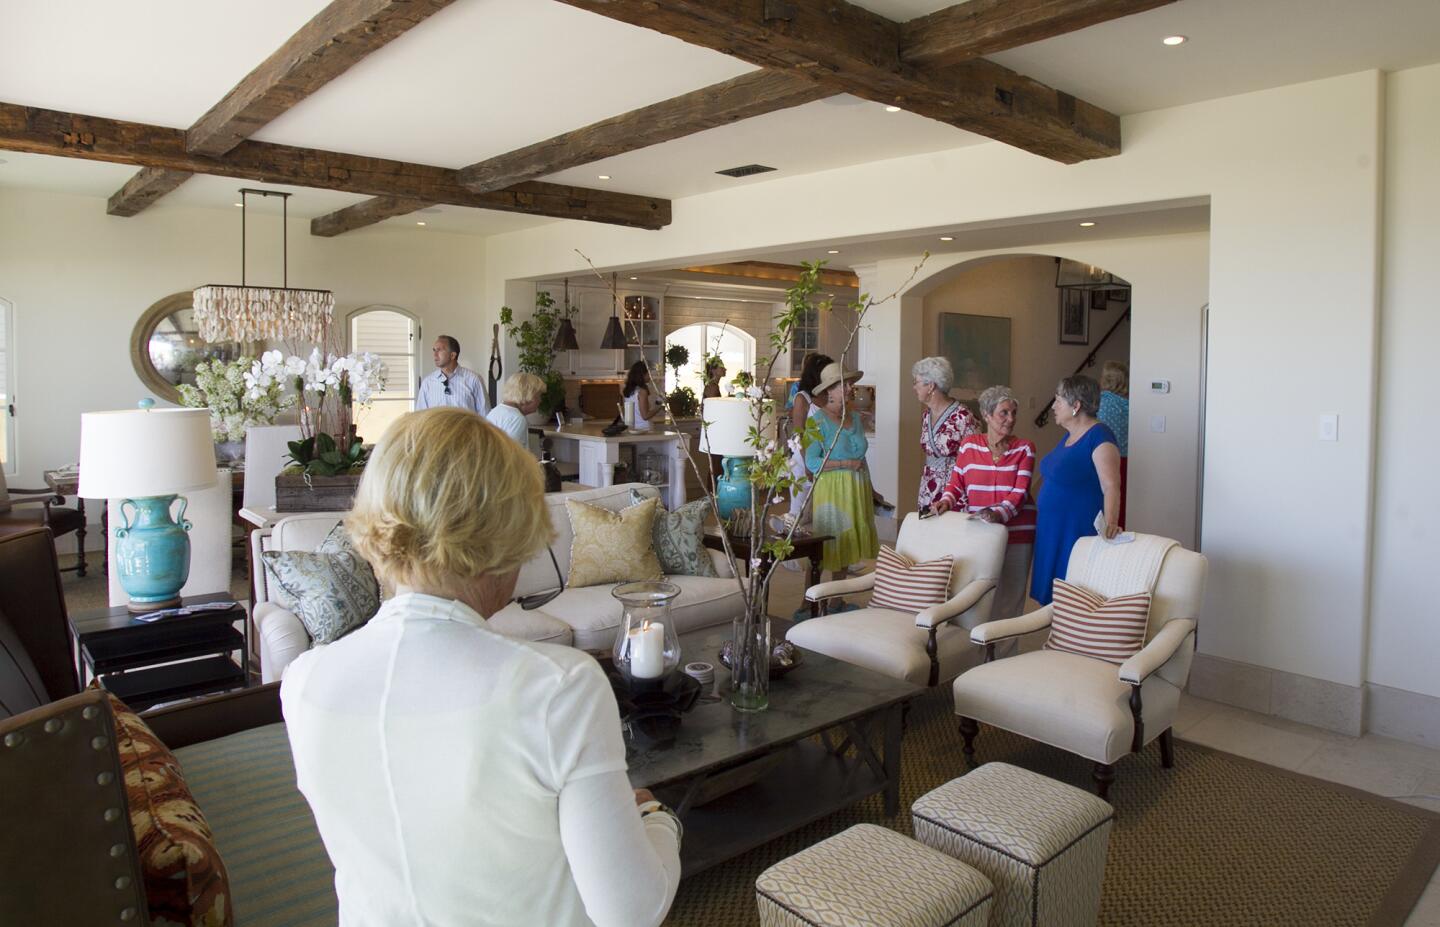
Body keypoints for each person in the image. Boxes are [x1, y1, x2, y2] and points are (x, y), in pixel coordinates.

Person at [281, 408, 681, 927]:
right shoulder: (560, 686)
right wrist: (656, 819)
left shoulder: (304, 681)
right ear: (505, 535)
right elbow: (631, 912)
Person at [933, 385, 1036, 621]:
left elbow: (1019, 494)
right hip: (982, 530)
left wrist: (997, 514)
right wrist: (946, 501)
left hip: (1017, 533)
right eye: (1004, 413)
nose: (1011, 419)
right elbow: (956, 482)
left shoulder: (1024, 448)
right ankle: (978, 649)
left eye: (1013, 413)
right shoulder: (970, 445)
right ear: (987, 415)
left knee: (1010, 598)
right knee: (978, 594)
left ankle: (1004, 655)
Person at [1029, 375, 1122, 605]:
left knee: (1071, 599)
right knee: (1051, 600)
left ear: (1076, 405)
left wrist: (1110, 524)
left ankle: (1068, 639)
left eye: (1058, 400)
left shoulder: (1100, 436)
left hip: (1075, 531)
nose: (1053, 406)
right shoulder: (1069, 436)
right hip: (1053, 529)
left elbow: (1111, 486)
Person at [805, 362, 878, 579]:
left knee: (846, 545)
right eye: (844, 384)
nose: (850, 388)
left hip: (857, 488)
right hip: (832, 492)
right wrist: (845, 464)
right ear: (830, 390)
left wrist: (873, 492)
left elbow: (861, 458)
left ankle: (837, 599)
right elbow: (812, 462)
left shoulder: (854, 417)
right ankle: (808, 603)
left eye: (850, 384)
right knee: (826, 546)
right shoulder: (816, 422)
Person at [912, 356, 977, 513]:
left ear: (931, 386)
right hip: (929, 486)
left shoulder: (963, 416)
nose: (914, 387)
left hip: (954, 489)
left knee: (951, 535)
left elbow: (975, 457)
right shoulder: (926, 415)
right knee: (927, 533)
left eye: (917, 382)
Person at [785, 353, 833, 523]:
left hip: (826, 460)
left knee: (824, 514)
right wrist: (808, 464)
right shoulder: (802, 398)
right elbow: (799, 434)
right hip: (803, 460)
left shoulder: (829, 396)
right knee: (799, 514)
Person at [415, 335, 489, 414]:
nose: (435, 354)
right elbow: (421, 417)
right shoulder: (427, 383)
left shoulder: (474, 379)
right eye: (434, 350)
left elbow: (485, 415)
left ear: (452, 355)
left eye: (439, 350)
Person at [1097, 360, 1131, 528]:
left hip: (1104, 457)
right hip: (1126, 459)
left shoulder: (1100, 402)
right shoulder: (1130, 405)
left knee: (1104, 497)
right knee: (1121, 499)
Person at [487, 371, 545, 447]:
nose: (540, 400)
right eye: (538, 396)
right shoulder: (517, 419)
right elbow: (513, 455)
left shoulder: (495, 411)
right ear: (528, 396)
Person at [622, 360, 658, 432]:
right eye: (648, 373)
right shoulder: (642, 391)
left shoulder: (628, 391)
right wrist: (660, 407)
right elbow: (645, 416)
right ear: (642, 375)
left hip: (632, 429)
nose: (650, 376)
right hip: (644, 429)